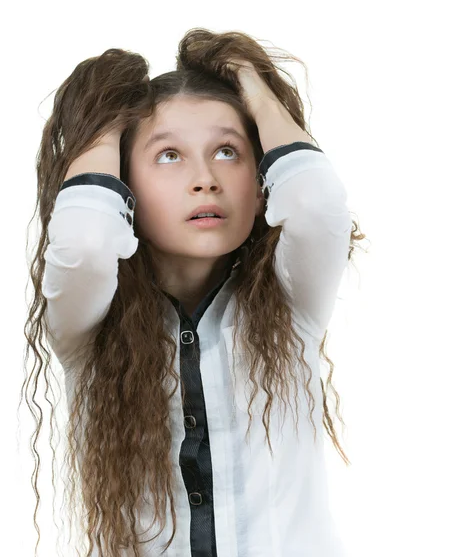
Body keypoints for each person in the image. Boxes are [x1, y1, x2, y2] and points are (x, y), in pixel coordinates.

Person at [23, 28, 365, 557]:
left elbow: (317, 204)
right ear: (122, 188)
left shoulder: (294, 298)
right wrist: (106, 111)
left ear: (260, 185)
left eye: (227, 151)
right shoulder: (87, 323)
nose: (205, 179)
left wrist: (249, 79)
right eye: (168, 156)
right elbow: (85, 240)